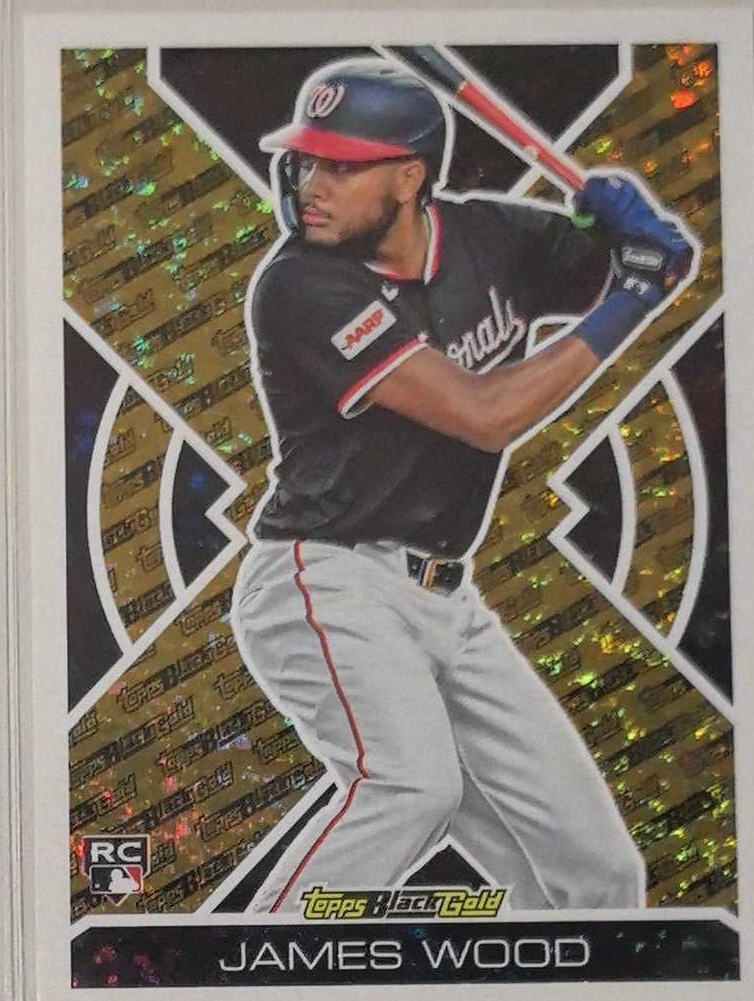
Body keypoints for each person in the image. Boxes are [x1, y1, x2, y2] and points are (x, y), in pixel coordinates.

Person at [232, 57, 697, 914]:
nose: (311, 185)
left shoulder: (488, 237)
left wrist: (630, 236)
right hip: (325, 576)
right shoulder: (301, 284)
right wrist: (632, 298)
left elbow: (623, 266)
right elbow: (485, 415)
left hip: (450, 601)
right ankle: (259, 960)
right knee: (412, 786)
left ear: (409, 178)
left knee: (599, 877)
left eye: (342, 165)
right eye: (306, 161)